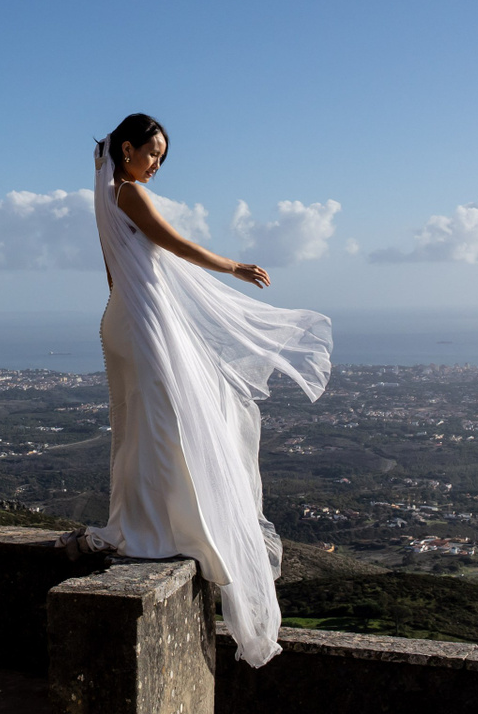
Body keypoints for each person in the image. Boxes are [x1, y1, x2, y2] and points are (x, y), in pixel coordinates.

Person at [85, 114, 332, 667]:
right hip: (142, 322)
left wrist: (128, 307)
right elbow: (175, 245)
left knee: (140, 422)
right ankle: (157, 529)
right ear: (126, 150)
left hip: (122, 317)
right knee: (163, 421)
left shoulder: (104, 196)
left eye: (161, 157)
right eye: (152, 152)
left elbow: (113, 271)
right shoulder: (129, 194)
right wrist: (234, 266)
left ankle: (143, 522)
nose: (156, 164)